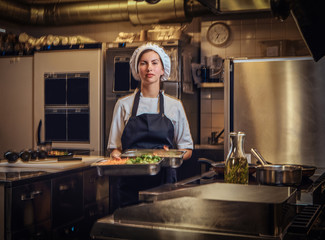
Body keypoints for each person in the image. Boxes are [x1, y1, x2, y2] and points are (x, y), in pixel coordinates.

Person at [107, 42, 193, 210]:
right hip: (130, 185)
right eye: (143, 63)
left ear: (162, 69)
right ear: (137, 70)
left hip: (164, 183)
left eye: (154, 63)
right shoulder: (123, 105)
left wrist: (172, 156)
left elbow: (187, 149)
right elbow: (115, 148)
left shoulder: (174, 105)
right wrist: (116, 156)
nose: (149, 68)